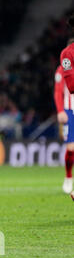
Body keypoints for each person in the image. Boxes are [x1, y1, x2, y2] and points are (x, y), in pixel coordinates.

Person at [54, 37, 74, 194]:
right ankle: (68, 176)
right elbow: (57, 91)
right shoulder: (62, 69)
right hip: (70, 111)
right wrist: (60, 110)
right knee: (71, 147)